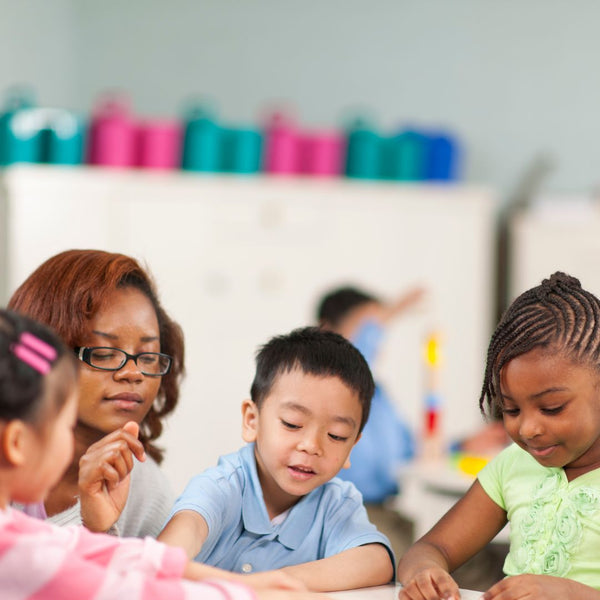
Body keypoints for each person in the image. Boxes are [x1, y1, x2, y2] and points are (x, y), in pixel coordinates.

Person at [0, 308, 326, 600]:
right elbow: (131, 592)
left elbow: (107, 555)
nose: (132, 373)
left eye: (148, 356)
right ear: (17, 444)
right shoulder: (18, 554)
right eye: (64, 424)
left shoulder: (17, 532)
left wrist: (248, 584)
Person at [398, 272, 600, 600]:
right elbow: (430, 548)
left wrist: (568, 592)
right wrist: (426, 574)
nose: (527, 429)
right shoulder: (512, 465)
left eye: (552, 408)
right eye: (510, 410)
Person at [158, 327, 395, 591]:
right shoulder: (222, 485)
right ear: (252, 420)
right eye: (293, 424)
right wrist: (246, 586)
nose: (311, 446)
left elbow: (377, 561)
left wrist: (277, 583)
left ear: (352, 447)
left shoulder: (336, 503)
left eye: (336, 436)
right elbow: (167, 555)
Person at [7, 249, 183, 537]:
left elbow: (154, 576)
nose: (133, 373)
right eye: (103, 353)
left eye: (148, 356)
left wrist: (100, 529)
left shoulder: (146, 490)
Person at [316, 285, 423, 558]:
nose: (376, 336)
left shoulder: (380, 395)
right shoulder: (326, 384)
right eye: (368, 327)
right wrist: (393, 309)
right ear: (328, 332)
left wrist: (461, 445)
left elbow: (411, 452)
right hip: (348, 518)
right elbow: (354, 354)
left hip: (390, 514)